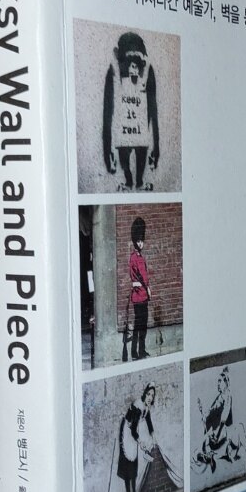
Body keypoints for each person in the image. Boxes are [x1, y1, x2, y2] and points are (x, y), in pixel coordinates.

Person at [102, 31, 159, 189]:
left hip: (140, 130)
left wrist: (156, 145)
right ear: (120, 60)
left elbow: (153, 111)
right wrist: (108, 149)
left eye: (137, 61)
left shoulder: (147, 73)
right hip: (124, 131)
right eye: (128, 61)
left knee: (140, 144)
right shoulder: (114, 74)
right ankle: (129, 180)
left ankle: (139, 180)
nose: (133, 67)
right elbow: (107, 114)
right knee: (124, 145)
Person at [128, 215, 151, 360]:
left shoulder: (136, 257)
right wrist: (147, 288)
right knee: (140, 326)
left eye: (142, 241)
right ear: (135, 241)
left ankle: (139, 351)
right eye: (138, 241)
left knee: (141, 325)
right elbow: (141, 277)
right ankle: (137, 352)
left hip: (140, 295)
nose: (141, 243)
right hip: (140, 295)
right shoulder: (136, 258)